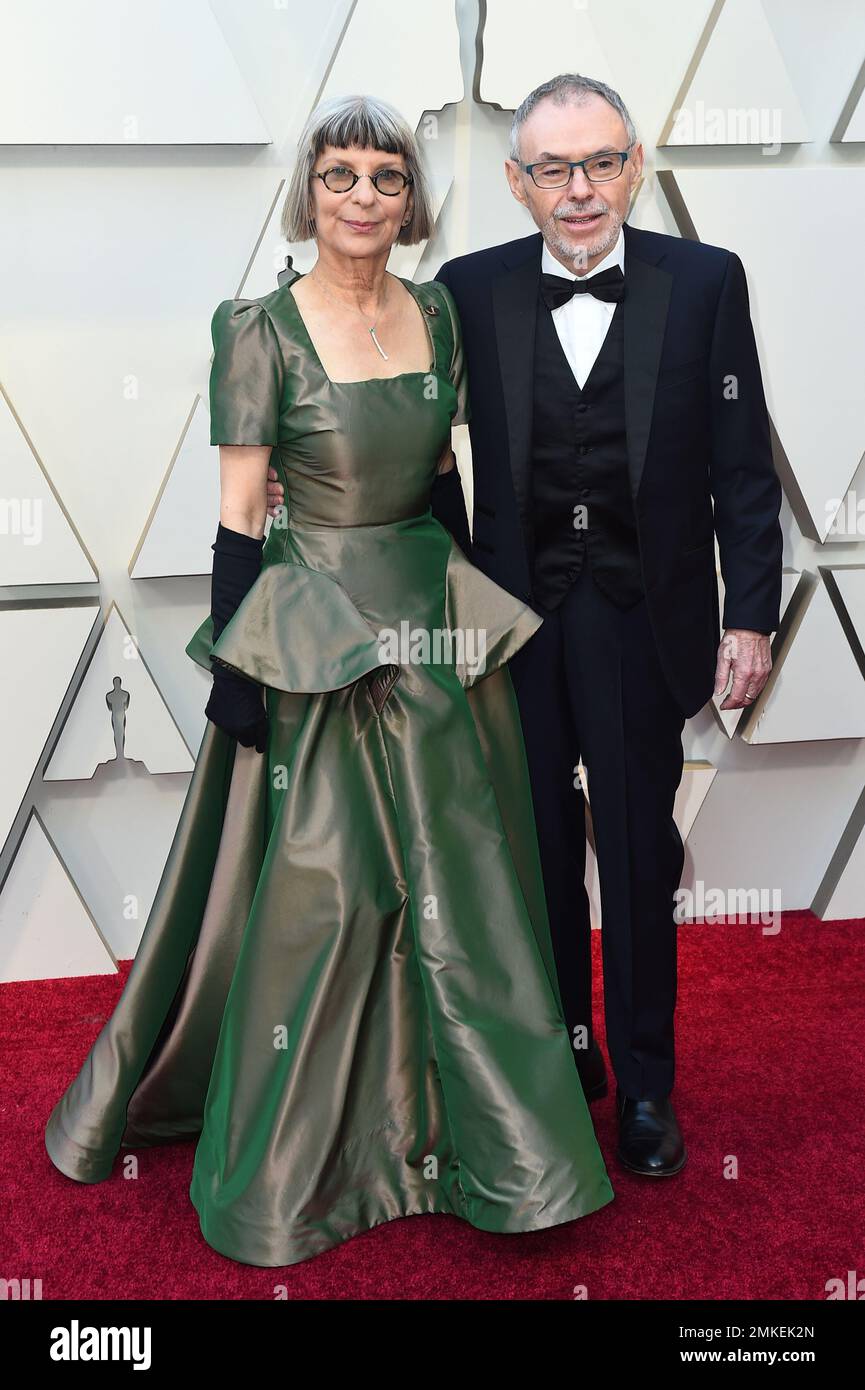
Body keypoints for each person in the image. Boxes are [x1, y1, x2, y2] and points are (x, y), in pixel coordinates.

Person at [44, 93, 614, 1268]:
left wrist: (479, 610)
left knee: (467, 890)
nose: (363, 196)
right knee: (332, 900)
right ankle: (312, 1160)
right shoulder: (257, 327)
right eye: (342, 175)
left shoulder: (439, 313)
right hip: (318, 636)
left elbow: (446, 485)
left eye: (386, 178)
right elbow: (240, 517)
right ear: (309, 192)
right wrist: (236, 671)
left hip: (433, 623)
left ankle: (484, 1147)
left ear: (412, 202)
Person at [268, 74, 785, 1179]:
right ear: (517, 182)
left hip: (645, 623)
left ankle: (646, 1088)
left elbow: (743, 471)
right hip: (506, 624)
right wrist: (308, 481)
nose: (580, 189)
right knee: (531, 856)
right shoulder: (466, 288)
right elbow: (399, 422)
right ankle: (565, 1056)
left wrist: (751, 615)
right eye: (553, 168)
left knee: (640, 855)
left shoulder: (704, 284)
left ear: (633, 166)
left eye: (600, 162)